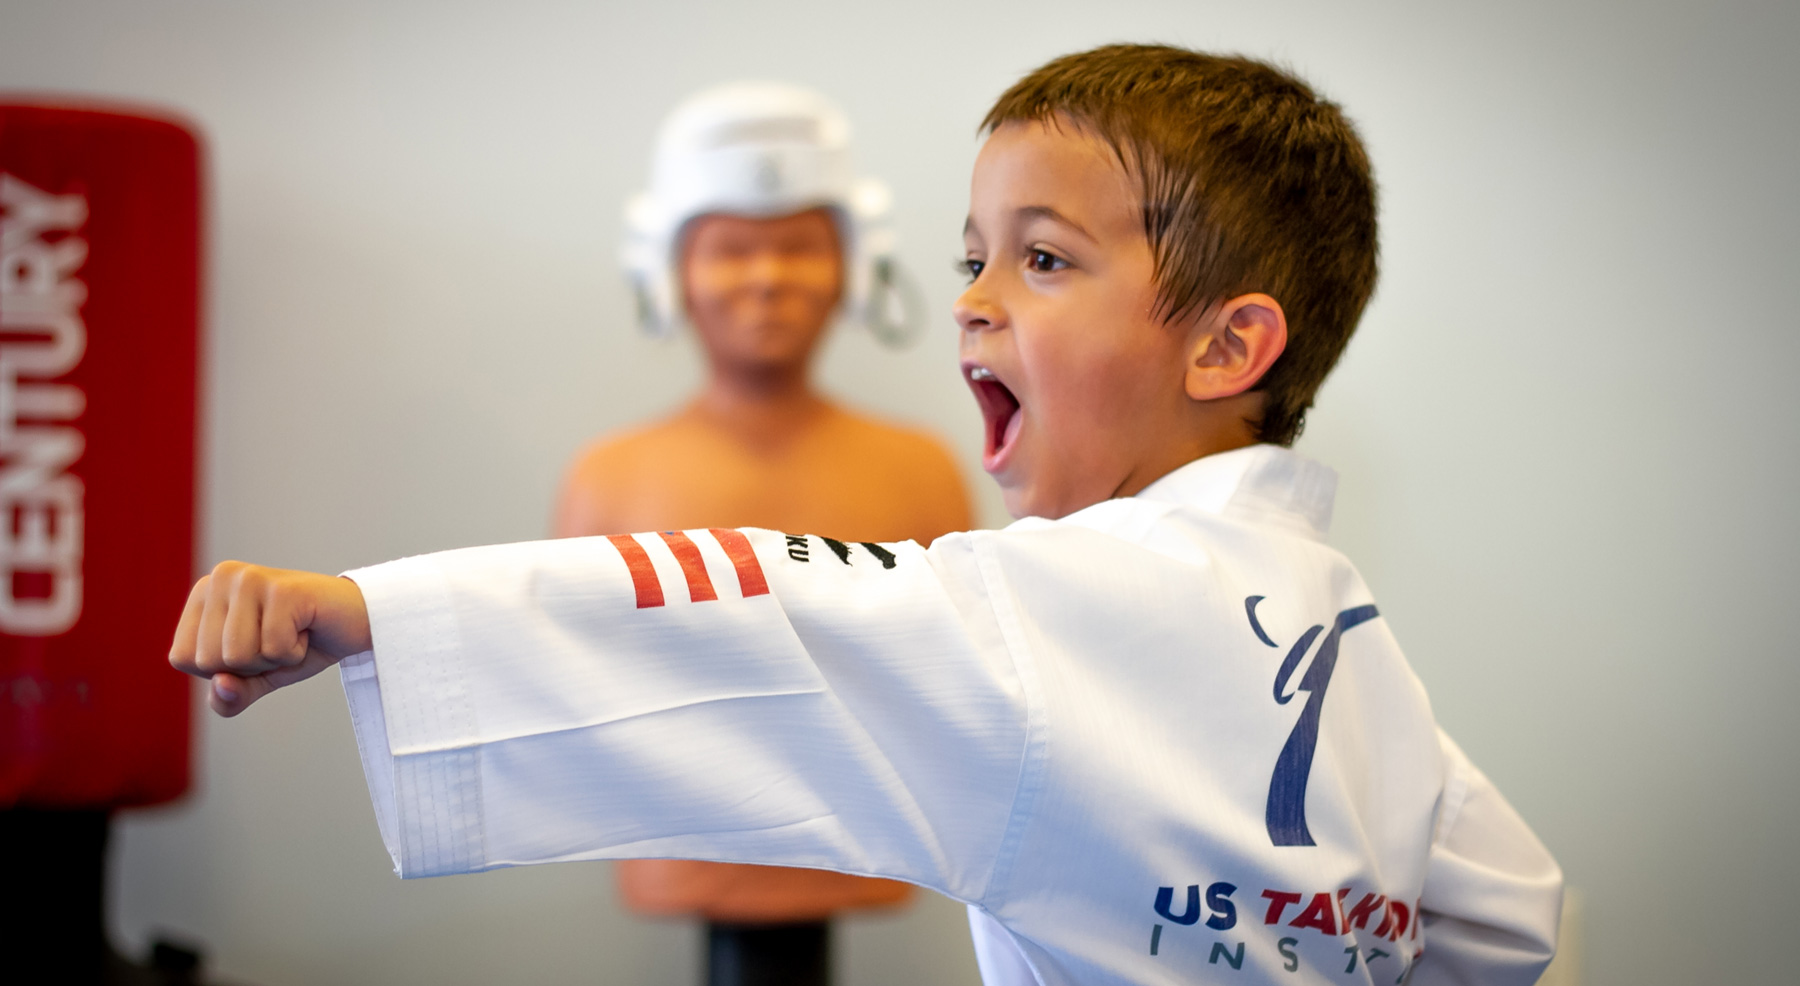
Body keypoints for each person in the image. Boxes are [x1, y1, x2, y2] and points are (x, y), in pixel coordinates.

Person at [168, 44, 1564, 986]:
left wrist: (369, 616)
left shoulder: (1048, 606)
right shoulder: (1352, 642)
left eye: (1042, 256)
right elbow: (1507, 910)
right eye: (972, 255)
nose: (974, 295)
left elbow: (783, 599)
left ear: (1225, 348)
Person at [559, 82, 971, 984]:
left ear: (857, 266)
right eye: (732, 250)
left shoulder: (924, 472)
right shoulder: (608, 478)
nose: (767, 277)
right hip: (683, 852)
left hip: (869, 845)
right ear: (668, 270)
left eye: (798, 247)